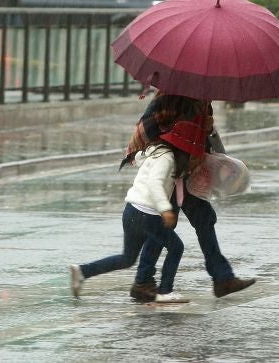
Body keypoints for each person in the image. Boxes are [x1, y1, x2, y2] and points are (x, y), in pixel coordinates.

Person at [122, 92, 256, 302]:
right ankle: (143, 281)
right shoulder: (171, 96)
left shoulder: (202, 98)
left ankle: (222, 278)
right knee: (165, 225)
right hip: (173, 171)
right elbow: (157, 130)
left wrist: (208, 128)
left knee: (205, 220)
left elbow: (203, 137)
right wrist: (188, 140)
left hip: (191, 171)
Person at [69, 118, 208, 303]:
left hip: (131, 211)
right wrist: (165, 209)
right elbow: (154, 183)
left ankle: (82, 271)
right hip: (147, 214)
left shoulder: (154, 153)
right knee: (177, 248)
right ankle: (165, 291)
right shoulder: (166, 158)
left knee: (127, 258)